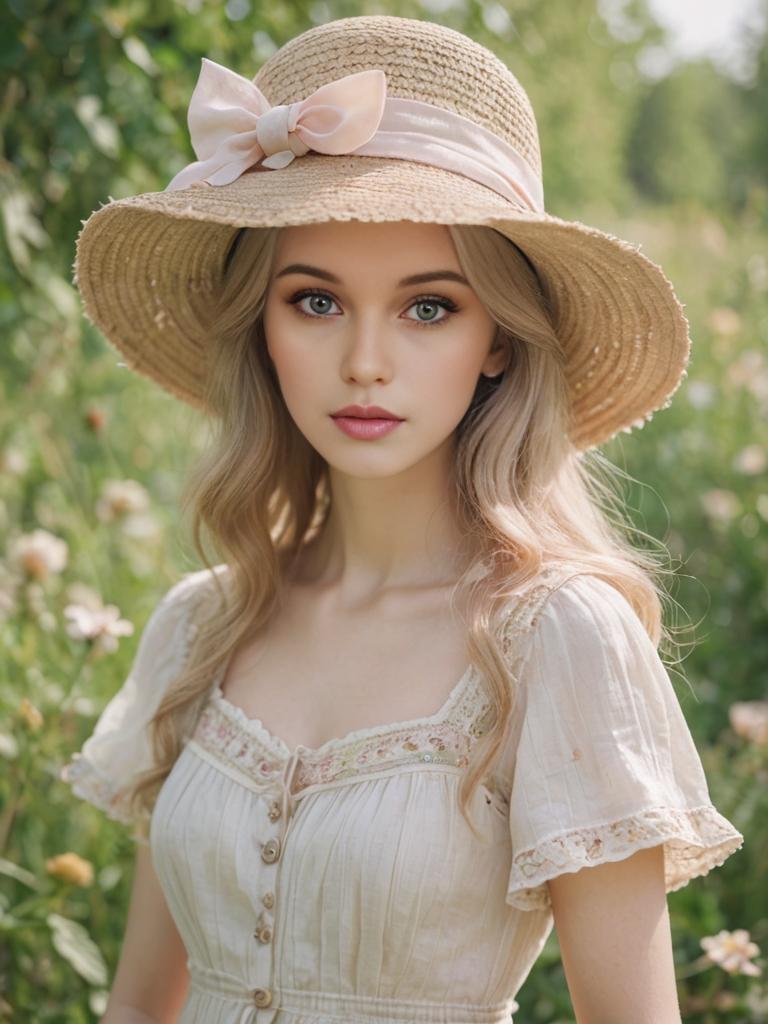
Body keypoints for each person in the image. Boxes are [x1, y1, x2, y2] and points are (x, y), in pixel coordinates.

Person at [60, 14, 744, 1024]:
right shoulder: (201, 626)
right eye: (316, 301)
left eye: (429, 307)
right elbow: (135, 1011)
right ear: (263, 328)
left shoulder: (557, 640)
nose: (366, 362)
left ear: (500, 341)